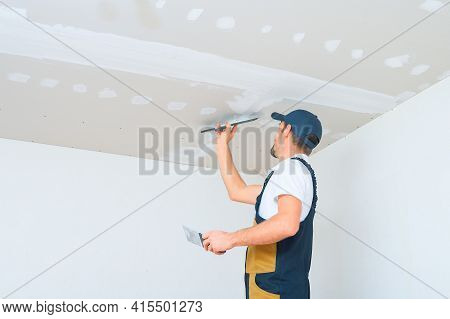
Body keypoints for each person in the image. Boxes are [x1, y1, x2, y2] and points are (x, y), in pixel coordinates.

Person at [202, 109, 322, 299]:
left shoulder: (291, 169)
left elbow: (287, 225)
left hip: (278, 292)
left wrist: (230, 239)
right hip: (274, 289)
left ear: (286, 130)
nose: (275, 136)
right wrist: (222, 144)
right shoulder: (292, 176)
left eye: (278, 128)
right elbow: (237, 191)